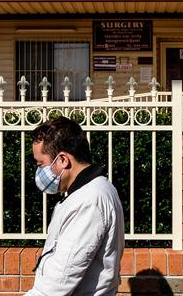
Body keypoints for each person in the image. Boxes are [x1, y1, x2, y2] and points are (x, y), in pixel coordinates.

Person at [26, 116, 124, 296]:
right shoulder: (89, 193)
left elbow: (58, 283)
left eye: (41, 164)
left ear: (63, 160)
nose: (39, 171)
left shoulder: (89, 201)